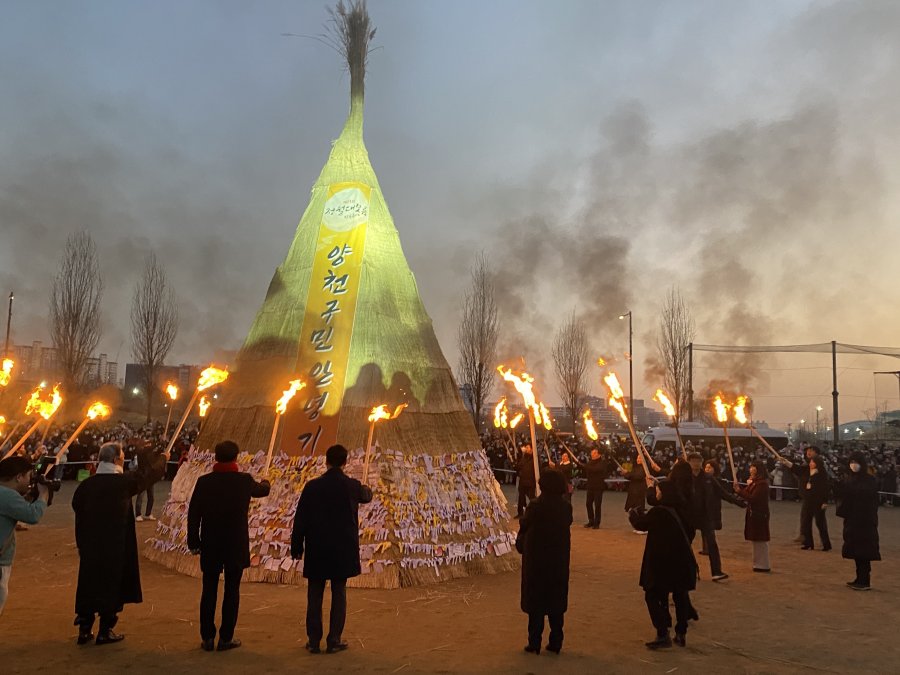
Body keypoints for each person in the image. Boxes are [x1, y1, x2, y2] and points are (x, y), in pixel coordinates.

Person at [72, 441, 167, 645]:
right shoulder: (123, 483)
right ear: (116, 460)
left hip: (90, 545)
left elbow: (77, 509)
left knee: (90, 582)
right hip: (116, 545)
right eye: (122, 455)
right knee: (112, 585)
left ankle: (84, 628)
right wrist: (162, 459)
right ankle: (105, 630)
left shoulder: (86, 485)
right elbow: (149, 475)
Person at [188, 440, 271, 652]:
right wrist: (267, 482)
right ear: (236, 457)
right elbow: (262, 491)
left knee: (209, 590)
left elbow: (194, 513)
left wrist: (194, 541)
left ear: (216, 457)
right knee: (232, 591)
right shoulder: (243, 481)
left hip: (211, 542)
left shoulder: (204, 482)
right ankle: (226, 637)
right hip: (235, 543)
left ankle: (207, 637)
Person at [291, 444, 373, 654]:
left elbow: (300, 519)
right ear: (345, 462)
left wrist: (297, 546)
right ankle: (334, 639)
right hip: (342, 548)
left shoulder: (312, 487)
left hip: (317, 547)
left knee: (315, 594)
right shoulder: (352, 486)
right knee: (339, 592)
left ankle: (313, 640)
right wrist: (365, 486)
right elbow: (367, 496)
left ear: (326, 461)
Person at [629, 478, 698, 649]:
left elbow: (641, 524)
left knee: (653, 595)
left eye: (659, 491)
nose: (657, 494)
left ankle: (662, 632)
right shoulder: (683, 510)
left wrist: (633, 515)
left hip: (662, 562)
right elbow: (691, 532)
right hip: (682, 560)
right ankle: (681, 633)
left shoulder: (660, 512)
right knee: (680, 595)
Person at [515, 469, 572, 655]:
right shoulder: (565, 507)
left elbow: (525, 524)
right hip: (557, 561)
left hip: (537, 561)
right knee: (556, 604)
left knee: (536, 605)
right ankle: (556, 642)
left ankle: (534, 642)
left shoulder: (535, 506)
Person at [0, 456, 49, 615]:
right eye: (28, 476)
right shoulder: (7, 495)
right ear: (18, 477)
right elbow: (32, 515)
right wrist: (43, 495)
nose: (29, 481)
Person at [835, 452, 880, 590]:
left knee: (864, 551)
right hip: (852, 520)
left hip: (865, 521)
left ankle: (864, 580)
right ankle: (859, 578)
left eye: (856, 462)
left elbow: (869, 499)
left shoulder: (869, 480)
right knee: (856, 551)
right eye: (851, 461)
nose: (853, 465)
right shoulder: (850, 479)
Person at [698, 459, 745, 581]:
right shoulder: (692, 479)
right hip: (693, 515)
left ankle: (716, 571)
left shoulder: (711, 481)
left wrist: (739, 502)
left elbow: (723, 494)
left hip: (708, 516)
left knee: (712, 544)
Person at [779, 445, 823, 543]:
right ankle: (804, 535)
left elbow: (801, 471)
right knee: (805, 517)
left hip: (815, 496)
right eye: (808, 451)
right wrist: (787, 463)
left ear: (816, 453)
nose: (808, 452)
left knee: (819, 519)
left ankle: (823, 539)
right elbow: (799, 471)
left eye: (811, 451)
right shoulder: (807, 464)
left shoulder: (819, 465)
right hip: (807, 496)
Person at [734, 460, 771, 573]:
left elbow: (753, 498)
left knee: (760, 539)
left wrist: (739, 491)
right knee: (756, 539)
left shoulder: (762, 484)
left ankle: (763, 564)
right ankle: (758, 563)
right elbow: (745, 495)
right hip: (753, 514)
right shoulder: (755, 483)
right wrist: (738, 491)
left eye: (753, 467)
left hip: (759, 514)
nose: (751, 469)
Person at [800, 455, 831, 551]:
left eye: (813, 462)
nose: (811, 464)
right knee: (806, 522)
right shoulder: (807, 472)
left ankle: (826, 544)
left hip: (818, 502)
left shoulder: (822, 474)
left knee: (820, 523)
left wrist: (825, 501)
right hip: (808, 501)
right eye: (810, 462)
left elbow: (826, 488)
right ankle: (808, 543)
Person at [625, 454, 662, 534]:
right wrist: (626, 474)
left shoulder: (645, 468)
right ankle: (637, 526)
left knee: (639, 508)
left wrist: (628, 474)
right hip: (633, 490)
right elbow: (630, 475)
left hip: (640, 490)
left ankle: (643, 528)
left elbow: (638, 476)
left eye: (640, 458)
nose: (638, 459)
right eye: (637, 457)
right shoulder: (636, 467)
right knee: (633, 508)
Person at [515, 444, 537, 518]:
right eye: (526, 447)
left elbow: (537, 469)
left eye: (528, 447)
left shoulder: (535, 458)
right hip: (523, 481)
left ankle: (534, 513)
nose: (526, 449)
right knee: (521, 498)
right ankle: (520, 513)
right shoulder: (524, 457)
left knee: (532, 498)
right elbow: (518, 466)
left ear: (531, 449)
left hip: (530, 482)